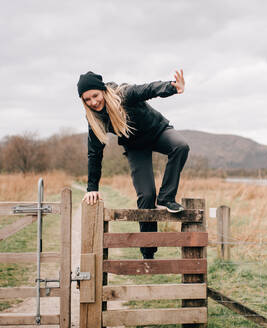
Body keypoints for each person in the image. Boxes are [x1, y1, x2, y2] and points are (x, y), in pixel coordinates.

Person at [78, 69, 189, 259]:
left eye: (95, 96)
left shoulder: (123, 94)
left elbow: (147, 89)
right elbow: (94, 153)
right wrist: (92, 188)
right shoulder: (95, 119)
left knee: (180, 146)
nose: (93, 102)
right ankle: (148, 251)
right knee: (146, 196)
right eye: (87, 100)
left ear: (103, 90)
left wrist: (171, 87)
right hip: (136, 147)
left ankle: (166, 197)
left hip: (158, 131)